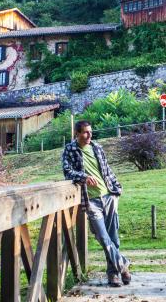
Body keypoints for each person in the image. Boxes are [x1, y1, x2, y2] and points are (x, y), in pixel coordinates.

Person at [62, 120, 131, 287]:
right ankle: (123, 264)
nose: (89, 135)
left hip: (108, 196)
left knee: (113, 238)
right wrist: (83, 177)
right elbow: (67, 171)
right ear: (77, 134)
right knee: (102, 236)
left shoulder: (97, 147)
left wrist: (117, 190)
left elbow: (107, 170)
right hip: (90, 200)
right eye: (85, 132)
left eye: (90, 132)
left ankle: (113, 275)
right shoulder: (70, 149)